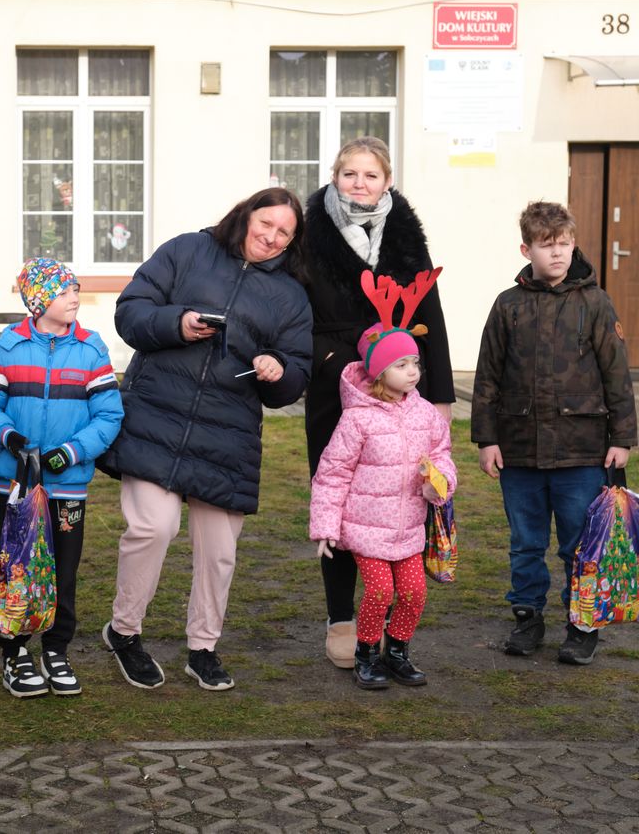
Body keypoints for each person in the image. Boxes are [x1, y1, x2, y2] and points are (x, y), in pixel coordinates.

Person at [97, 187, 313, 692]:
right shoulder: (187, 250)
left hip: (227, 438)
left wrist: (278, 369)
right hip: (155, 419)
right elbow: (130, 311)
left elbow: (296, 374)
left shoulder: (291, 296)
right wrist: (177, 323)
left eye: (284, 233)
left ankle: (203, 647)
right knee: (154, 528)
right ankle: (124, 631)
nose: (272, 237)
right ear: (246, 215)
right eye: (266, 224)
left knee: (218, 550)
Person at [302, 137, 455, 669]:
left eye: (370, 175)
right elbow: (295, 311)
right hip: (336, 386)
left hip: (404, 386)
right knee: (341, 496)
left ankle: (390, 620)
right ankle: (342, 618)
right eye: (350, 174)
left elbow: (431, 314)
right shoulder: (311, 235)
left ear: (387, 181)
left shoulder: (406, 234)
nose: (359, 184)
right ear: (335, 176)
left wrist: (440, 394)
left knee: (398, 496)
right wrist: (331, 360)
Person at [471, 201, 637, 666]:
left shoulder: (595, 303)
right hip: (519, 450)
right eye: (547, 246)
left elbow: (617, 374)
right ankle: (527, 618)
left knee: (578, 544)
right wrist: (487, 439)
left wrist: (621, 437)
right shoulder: (508, 305)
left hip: (581, 452)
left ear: (573, 244)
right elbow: (487, 376)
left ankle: (582, 624)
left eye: (564, 244)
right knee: (525, 543)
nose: (558, 253)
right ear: (527, 250)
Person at [0, 257, 124, 698]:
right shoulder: (10, 346)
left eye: (74, 288)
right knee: (18, 566)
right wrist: (11, 438)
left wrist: (70, 453)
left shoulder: (91, 349)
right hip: (18, 484)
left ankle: (56, 649)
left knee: (64, 569)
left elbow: (109, 415)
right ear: (38, 302)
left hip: (68, 485)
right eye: (63, 291)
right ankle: (15, 652)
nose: (74, 296)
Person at [309, 271, 457, 690]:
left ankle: (398, 652)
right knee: (379, 593)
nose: (413, 372)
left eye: (415, 363)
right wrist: (326, 526)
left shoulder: (424, 413)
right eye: (402, 365)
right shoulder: (357, 420)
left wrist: (439, 483)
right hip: (366, 530)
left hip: (408, 529)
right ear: (378, 372)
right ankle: (366, 652)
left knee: (413, 593)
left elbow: (442, 455)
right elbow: (332, 474)